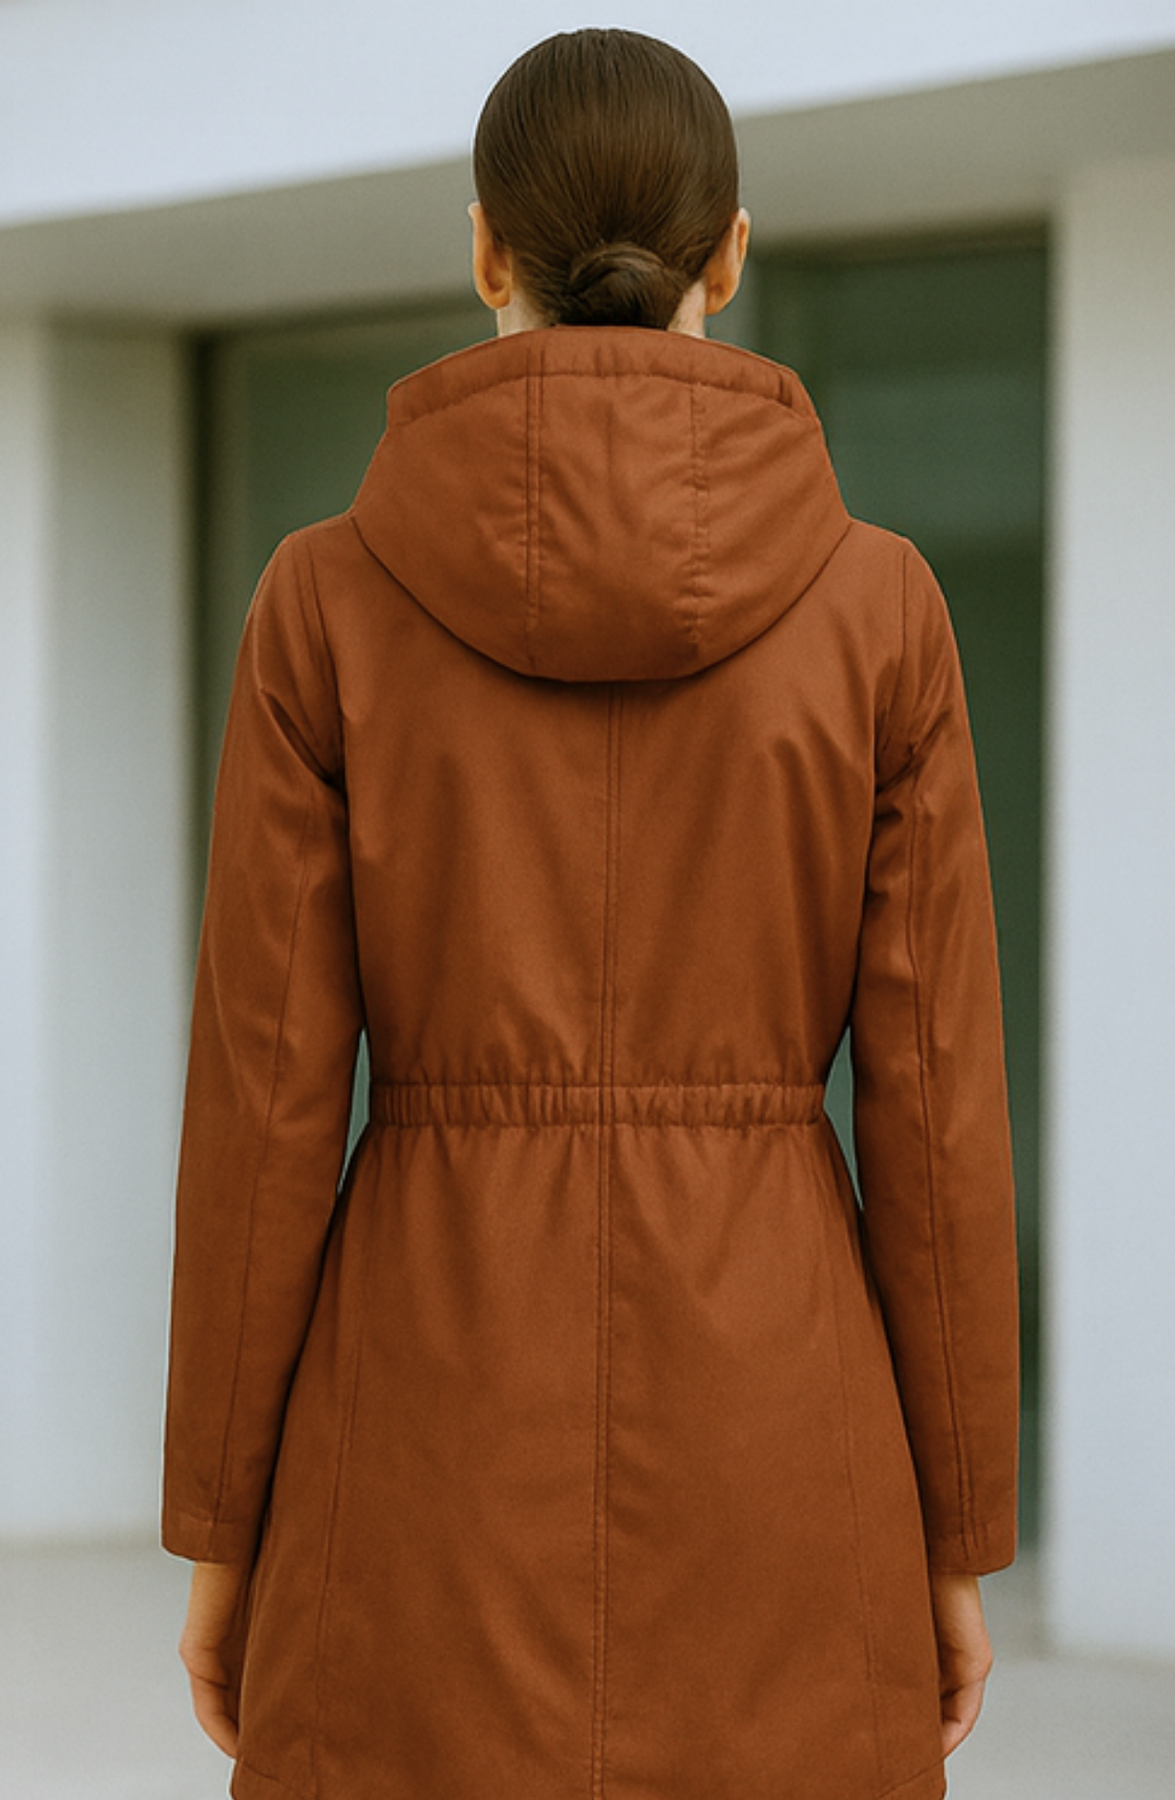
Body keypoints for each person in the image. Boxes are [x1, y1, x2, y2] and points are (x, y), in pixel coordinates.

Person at [164, 27, 1019, 1800]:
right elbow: (937, 1115)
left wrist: (224, 1535)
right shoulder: (883, 613)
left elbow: (263, 1107)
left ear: (487, 250)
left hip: (420, 1437)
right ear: (732, 253)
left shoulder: (322, 606)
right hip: (787, 1438)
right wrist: (954, 1537)